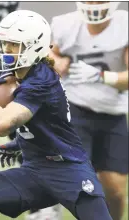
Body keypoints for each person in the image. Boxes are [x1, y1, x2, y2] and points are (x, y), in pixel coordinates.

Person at [0, 10, 112, 220]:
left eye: (13, 44)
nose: (4, 50)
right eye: (3, 43)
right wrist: (20, 142)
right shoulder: (21, 74)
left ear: (33, 46)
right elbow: (45, 121)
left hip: (68, 171)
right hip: (35, 169)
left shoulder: (41, 81)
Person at [50, 2, 128, 220]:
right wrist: (56, 61)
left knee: (115, 191)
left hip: (113, 113)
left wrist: (101, 76)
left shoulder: (124, 24)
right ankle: (47, 206)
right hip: (75, 108)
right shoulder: (66, 24)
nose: (94, 4)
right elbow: (49, 56)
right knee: (82, 182)